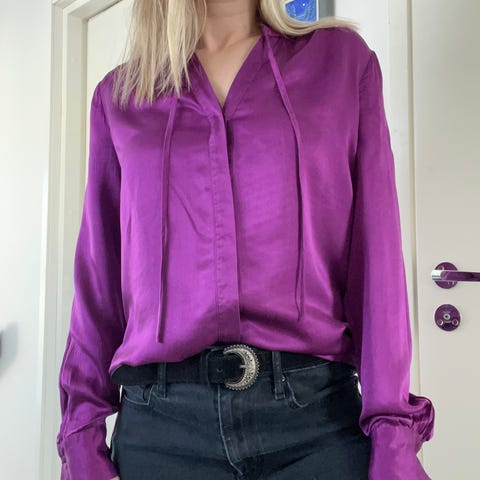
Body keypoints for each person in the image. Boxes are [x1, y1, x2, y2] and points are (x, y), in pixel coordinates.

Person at [55, 1, 436, 479]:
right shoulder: (120, 97)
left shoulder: (341, 62)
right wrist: (81, 437)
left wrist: (393, 435)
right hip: (160, 431)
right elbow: (99, 276)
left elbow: (376, 256)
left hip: (316, 424)